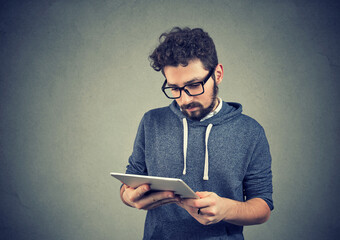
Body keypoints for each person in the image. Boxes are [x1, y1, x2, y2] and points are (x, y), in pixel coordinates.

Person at [119, 27, 273, 240]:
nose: (184, 99)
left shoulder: (250, 131)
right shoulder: (151, 122)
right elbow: (130, 181)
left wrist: (226, 209)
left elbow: (263, 206)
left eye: (193, 85)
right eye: (174, 88)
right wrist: (128, 196)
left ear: (217, 74)